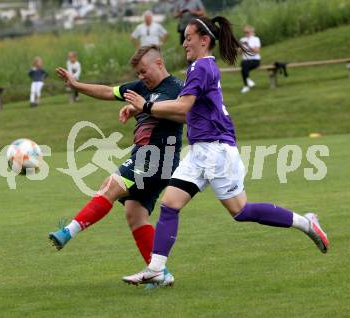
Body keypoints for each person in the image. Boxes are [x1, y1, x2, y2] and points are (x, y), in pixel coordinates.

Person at [122, 16, 330, 285]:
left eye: (188, 37)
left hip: (216, 150)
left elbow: (183, 107)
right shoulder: (200, 67)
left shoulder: (201, 68)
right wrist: (142, 107)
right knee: (170, 205)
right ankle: (157, 269)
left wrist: (146, 107)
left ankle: (306, 222)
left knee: (241, 211)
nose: (184, 42)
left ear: (204, 40)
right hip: (201, 150)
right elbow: (181, 104)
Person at [49, 45, 185, 287]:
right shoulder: (141, 88)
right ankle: (159, 273)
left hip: (156, 158)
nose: (141, 77)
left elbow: (184, 115)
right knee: (135, 212)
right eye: (138, 73)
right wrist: (77, 85)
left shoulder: (175, 88)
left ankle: (68, 231)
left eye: (144, 71)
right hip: (149, 158)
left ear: (159, 63)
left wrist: (143, 107)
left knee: (110, 185)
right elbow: (107, 91)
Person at [240, 25, 261, 93]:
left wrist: (248, 45)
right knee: (244, 65)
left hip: (255, 60)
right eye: (245, 32)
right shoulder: (242, 40)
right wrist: (240, 49)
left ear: (252, 32)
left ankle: (246, 85)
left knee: (243, 65)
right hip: (245, 61)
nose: (246, 33)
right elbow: (239, 52)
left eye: (248, 32)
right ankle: (248, 82)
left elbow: (257, 51)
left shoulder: (256, 39)